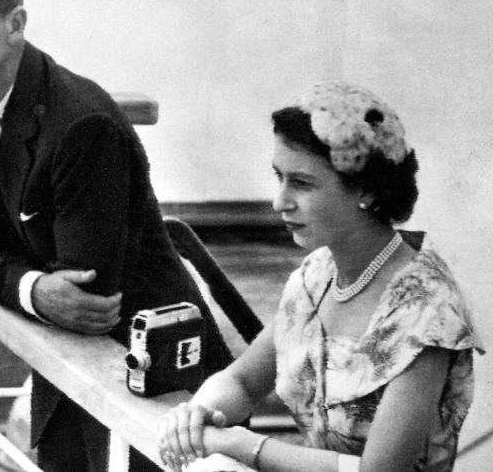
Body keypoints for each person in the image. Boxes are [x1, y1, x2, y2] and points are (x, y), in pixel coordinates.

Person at [0, 0, 232, 472]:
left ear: (15, 23)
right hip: (67, 373)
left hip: (155, 377)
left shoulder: (80, 126)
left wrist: (28, 281)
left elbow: (90, 302)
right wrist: (33, 289)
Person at [157, 81, 483, 472]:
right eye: (280, 177)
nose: (280, 201)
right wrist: (194, 414)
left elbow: (377, 471)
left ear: (366, 191)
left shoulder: (427, 308)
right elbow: (242, 382)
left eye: (302, 183)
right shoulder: (316, 275)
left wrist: (246, 446)